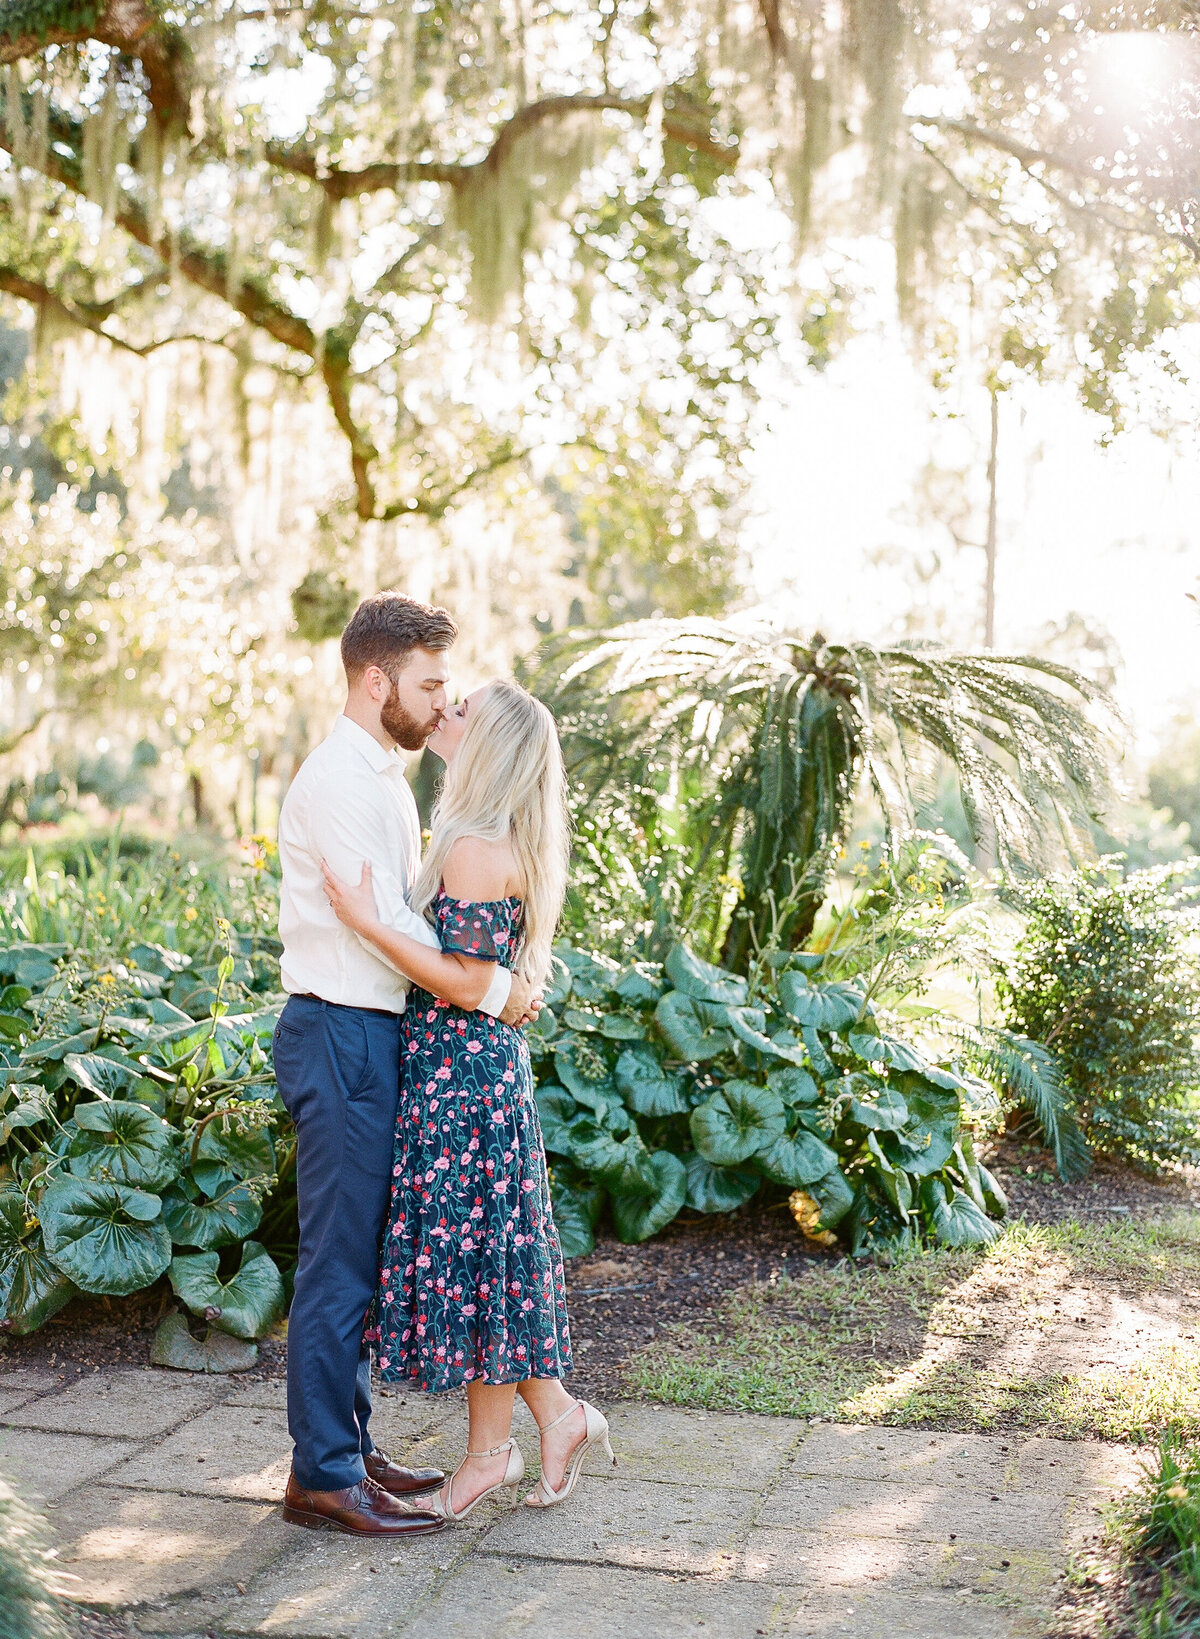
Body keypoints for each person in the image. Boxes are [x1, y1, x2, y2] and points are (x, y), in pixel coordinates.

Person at [272, 594, 542, 1538]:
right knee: (337, 1266)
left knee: (360, 1257)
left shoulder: (385, 773)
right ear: (376, 679)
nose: (441, 701)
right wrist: (494, 988)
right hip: (339, 1032)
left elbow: (407, 921)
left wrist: (494, 979)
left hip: (372, 1036)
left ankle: (349, 1446)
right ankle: (323, 1473)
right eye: (429, 684)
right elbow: (387, 931)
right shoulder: (342, 782)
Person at [321, 677, 615, 1523]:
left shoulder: (480, 845)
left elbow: (466, 979)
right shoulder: (471, 830)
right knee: (487, 1262)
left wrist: (364, 920)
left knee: (481, 1263)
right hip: (462, 1069)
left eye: (465, 710)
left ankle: (501, 1449)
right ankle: (547, 1420)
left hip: (465, 1080)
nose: (446, 712)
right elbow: (486, 979)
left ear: (490, 745)